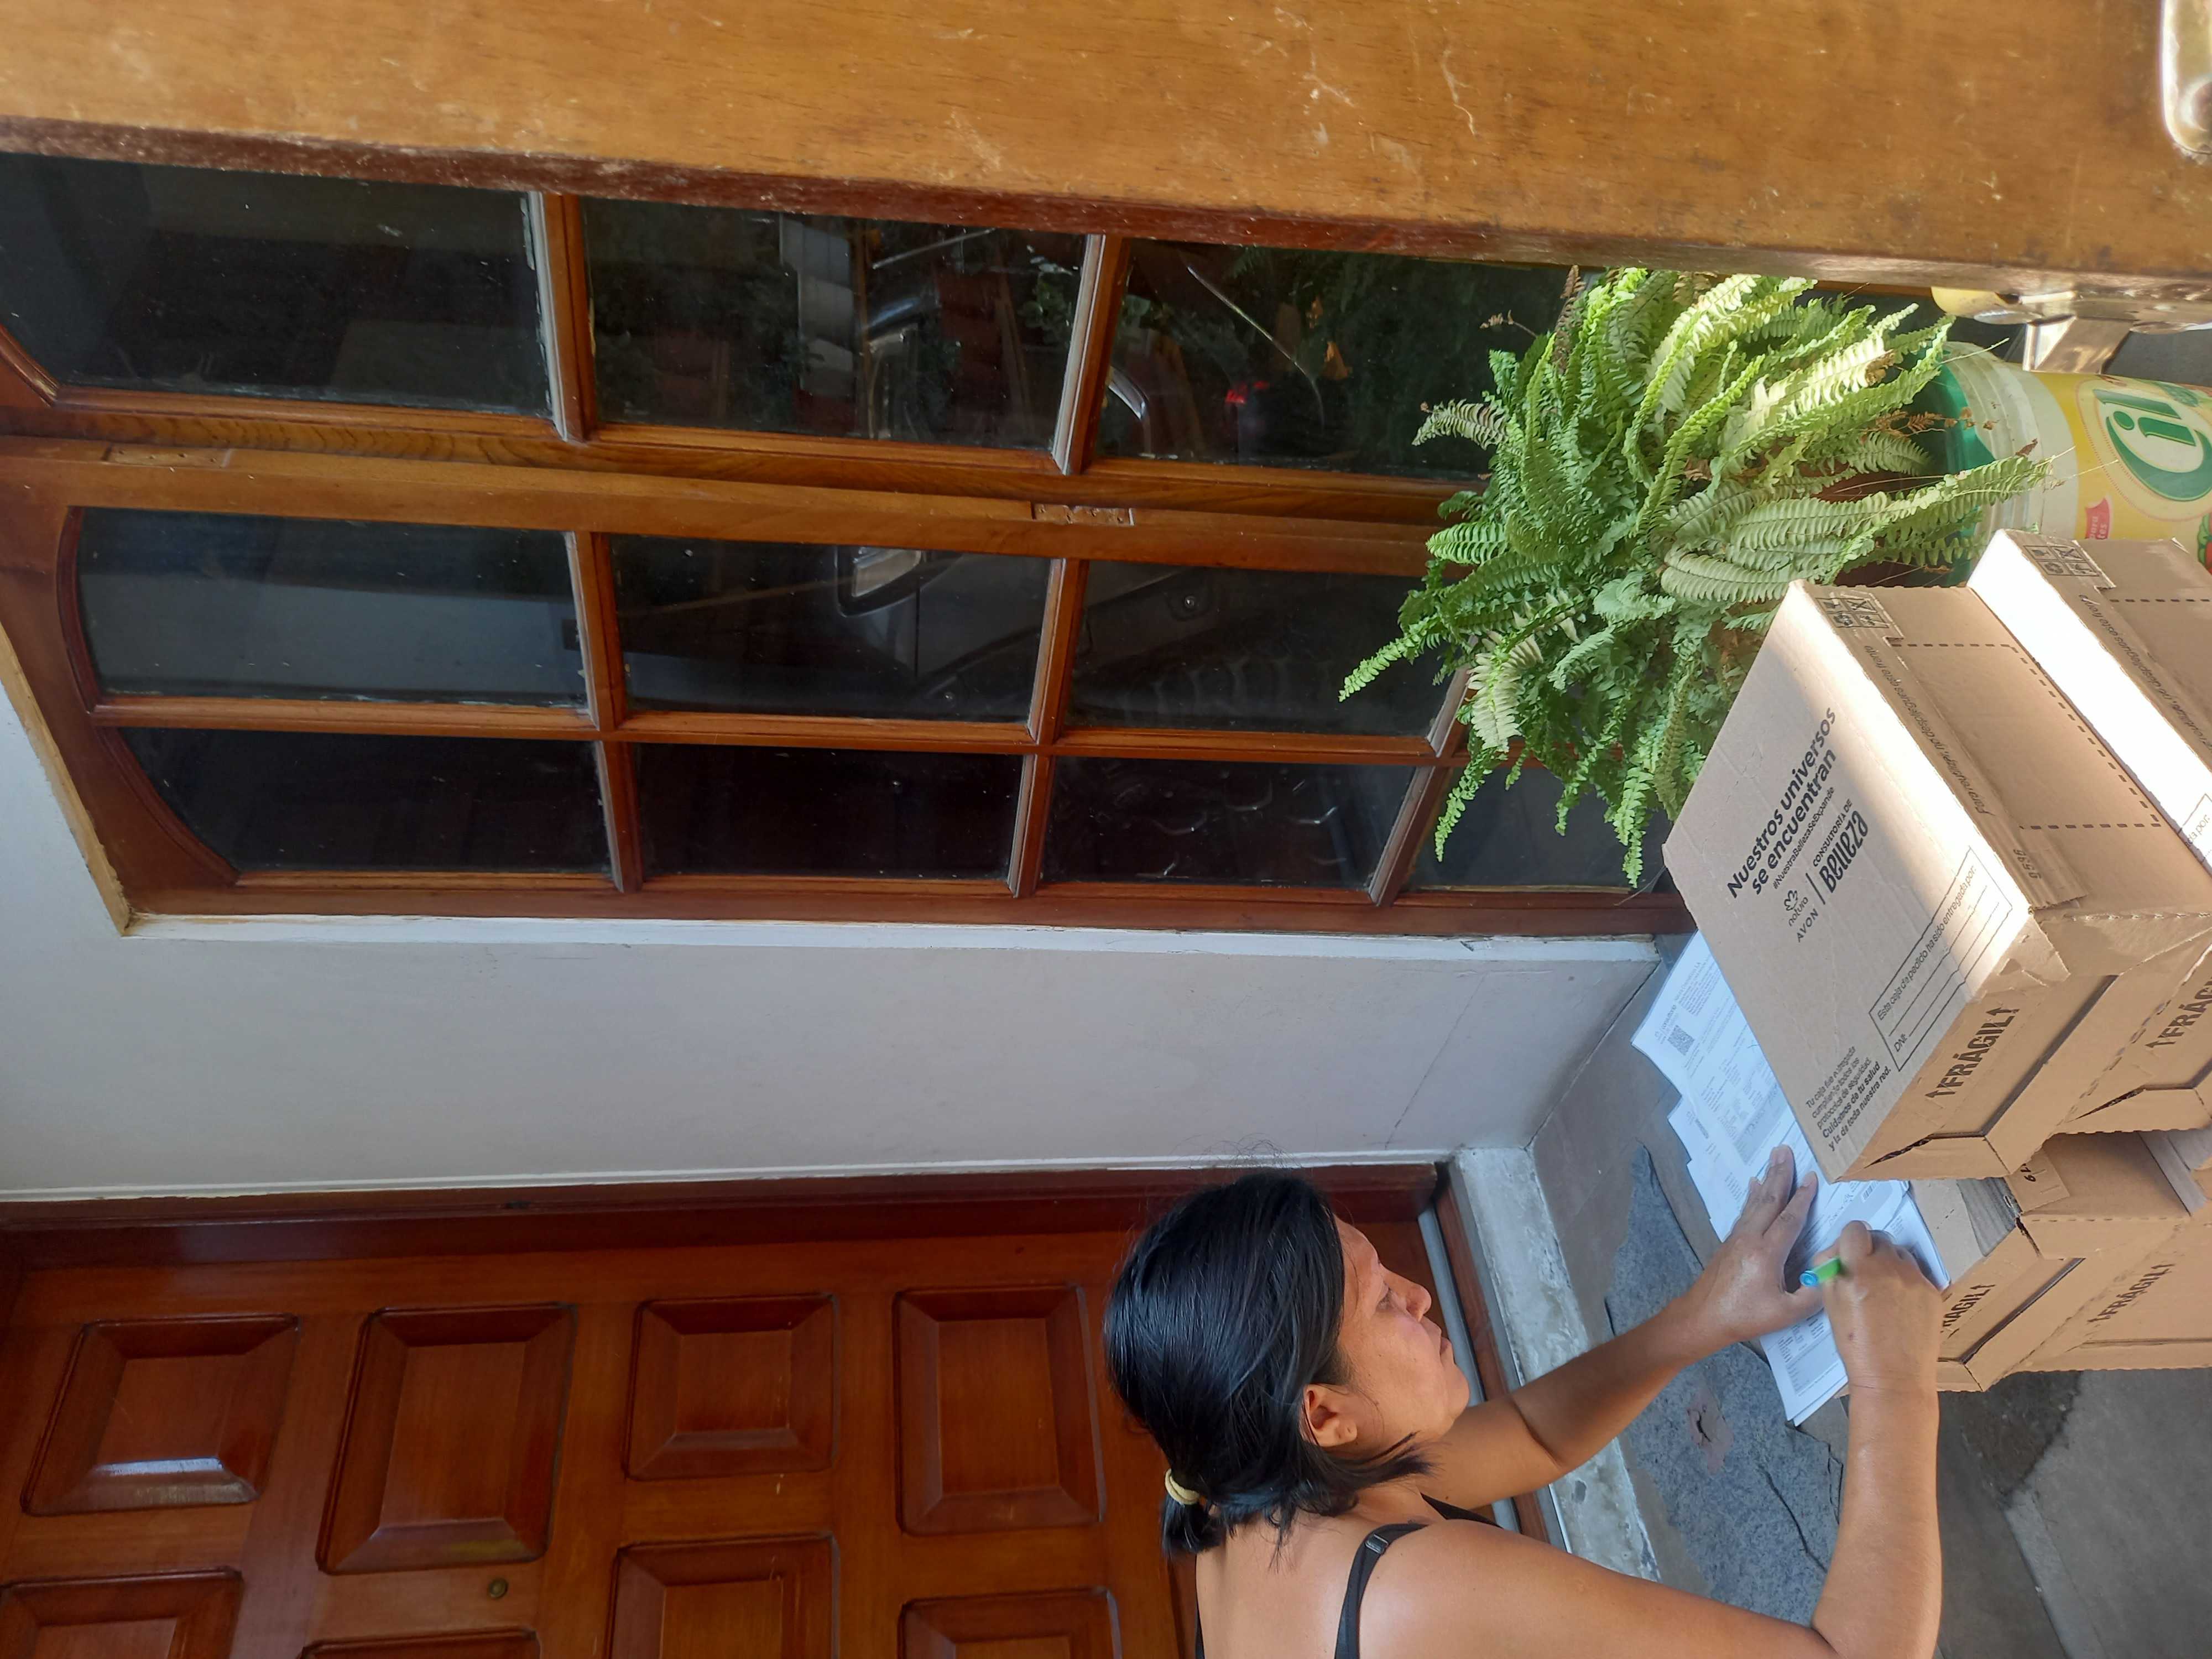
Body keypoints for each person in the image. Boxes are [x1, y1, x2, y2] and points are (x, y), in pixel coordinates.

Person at [1104, 1149, 1943, 1659]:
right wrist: (1895, 1383)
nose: (1418, 1295)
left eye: (1384, 1268)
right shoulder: (1417, 1594)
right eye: (1383, 1304)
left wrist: (1706, 1313)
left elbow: (1532, 1437)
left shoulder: (1248, 1492)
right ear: (1322, 1414)